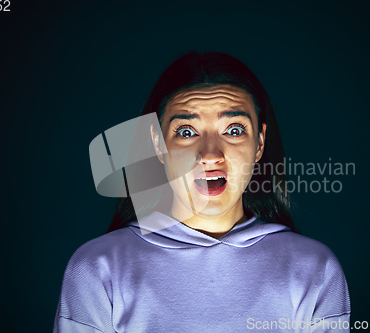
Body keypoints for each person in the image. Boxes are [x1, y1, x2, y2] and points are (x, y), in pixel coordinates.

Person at [53, 51, 351, 332]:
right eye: (186, 132)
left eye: (234, 130)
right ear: (157, 144)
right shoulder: (97, 269)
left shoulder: (315, 270)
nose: (210, 154)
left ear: (259, 144)